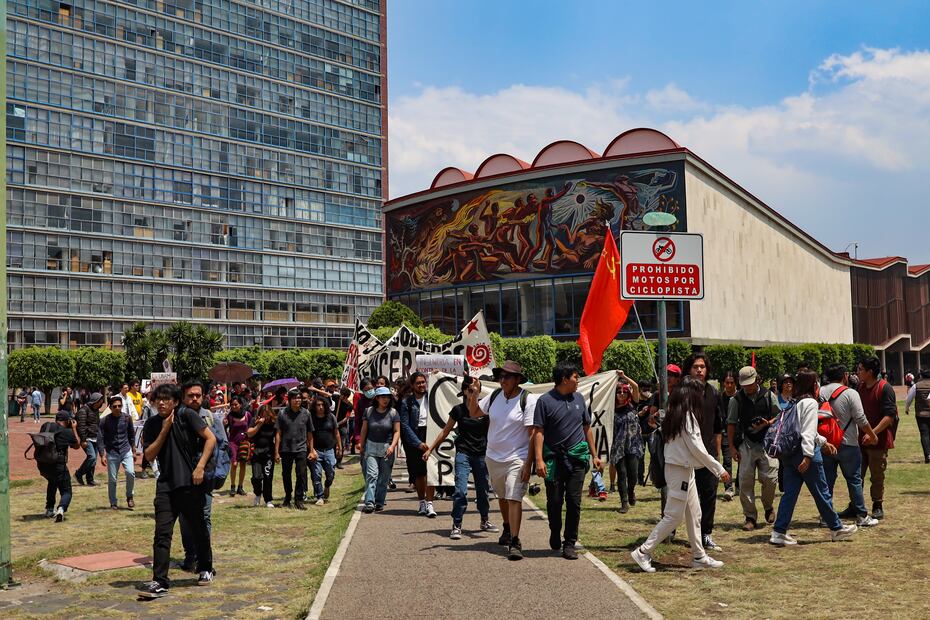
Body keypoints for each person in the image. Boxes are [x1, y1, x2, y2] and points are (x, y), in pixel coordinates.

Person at [630, 378, 731, 573]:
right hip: (679, 470)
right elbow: (698, 449)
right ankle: (643, 551)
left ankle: (699, 556)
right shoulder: (686, 416)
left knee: (694, 514)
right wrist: (719, 469)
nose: (701, 397)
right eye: (699, 393)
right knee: (673, 517)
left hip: (683, 469)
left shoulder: (676, 412)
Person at [138, 383, 217, 599]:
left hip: (190, 483)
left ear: (175, 401)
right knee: (162, 534)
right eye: (158, 399)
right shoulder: (152, 424)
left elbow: (211, 439)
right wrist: (164, 430)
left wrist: (200, 467)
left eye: (167, 399)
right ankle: (160, 581)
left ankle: (206, 568)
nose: (162, 403)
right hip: (165, 486)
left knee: (198, 529)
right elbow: (149, 455)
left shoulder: (187, 415)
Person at [769, 370, 858, 546]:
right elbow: (808, 432)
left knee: (790, 494)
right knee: (822, 492)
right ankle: (836, 528)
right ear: (813, 385)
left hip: (790, 454)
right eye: (817, 382)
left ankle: (779, 531)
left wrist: (823, 442)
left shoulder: (794, 402)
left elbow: (802, 428)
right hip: (805, 454)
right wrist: (808, 456)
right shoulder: (810, 402)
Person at [533, 362, 603, 561]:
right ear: (564, 379)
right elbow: (538, 432)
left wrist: (594, 455)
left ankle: (570, 543)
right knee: (555, 501)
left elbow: (587, 428)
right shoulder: (544, 401)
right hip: (554, 461)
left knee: (574, 501)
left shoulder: (579, 399)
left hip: (577, 460)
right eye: (575, 377)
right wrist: (539, 459)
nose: (578, 381)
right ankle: (555, 530)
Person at [474, 360, 537, 560]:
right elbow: (474, 412)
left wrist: (529, 463)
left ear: (517, 379)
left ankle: (515, 542)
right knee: (502, 497)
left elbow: (532, 434)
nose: (503, 380)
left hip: (517, 458)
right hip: (493, 457)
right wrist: (474, 394)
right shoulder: (494, 396)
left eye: (507, 376)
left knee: (513, 497)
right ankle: (507, 527)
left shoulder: (528, 399)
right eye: (501, 376)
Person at [424, 375, 499, 539]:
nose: (474, 393)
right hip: (463, 453)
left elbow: (493, 432)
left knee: (483, 490)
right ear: (464, 391)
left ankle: (484, 520)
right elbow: (445, 431)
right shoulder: (458, 410)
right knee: (460, 491)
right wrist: (430, 449)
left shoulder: (484, 410)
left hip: (481, 454)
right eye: (470, 390)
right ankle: (457, 524)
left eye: (477, 390)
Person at [820, 364, 880, 527]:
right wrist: (872, 435)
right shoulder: (850, 393)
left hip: (825, 443)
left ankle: (825, 517)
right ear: (844, 376)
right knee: (854, 480)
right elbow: (860, 418)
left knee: (826, 482)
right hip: (848, 442)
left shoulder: (820, 392)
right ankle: (861, 515)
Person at [727, 366, 780, 531]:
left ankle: (768, 507)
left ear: (757, 380)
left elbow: (779, 416)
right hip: (746, 444)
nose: (747, 387)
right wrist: (732, 447)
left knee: (770, 478)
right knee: (745, 481)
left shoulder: (769, 396)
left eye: (750, 383)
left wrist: (768, 423)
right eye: (744, 384)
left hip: (767, 443)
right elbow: (731, 423)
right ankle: (750, 517)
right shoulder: (735, 400)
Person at [682, 353, 724, 553]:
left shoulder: (713, 393)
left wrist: (716, 453)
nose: (699, 370)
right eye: (695, 367)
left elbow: (718, 426)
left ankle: (705, 534)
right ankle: (673, 531)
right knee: (684, 498)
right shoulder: (683, 393)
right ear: (688, 370)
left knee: (708, 495)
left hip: (708, 453)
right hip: (686, 454)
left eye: (702, 366)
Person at [856, 356, 897, 520]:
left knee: (877, 475)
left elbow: (889, 416)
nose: (858, 372)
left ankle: (877, 505)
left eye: (860, 369)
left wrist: (872, 433)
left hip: (878, 441)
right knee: (856, 475)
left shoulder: (884, 388)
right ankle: (856, 505)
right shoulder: (859, 387)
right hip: (859, 440)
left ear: (870, 372)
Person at [399, 372, 437, 518]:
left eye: (423, 382)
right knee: (419, 473)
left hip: (431, 434)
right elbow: (405, 425)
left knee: (431, 471)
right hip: (415, 438)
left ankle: (430, 503)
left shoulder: (432, 397)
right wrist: (418, 443)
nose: (421, 385)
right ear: (412, 385)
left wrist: (437, 375)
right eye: (418, 383)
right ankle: (422, 501)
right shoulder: (406, 402)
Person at [358, 386, 400, 512]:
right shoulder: (369, 411)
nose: (385, 399)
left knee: (383, 478)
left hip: (387, 448)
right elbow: (364, 429)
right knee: (372, 475)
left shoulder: (393, 413)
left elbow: (397, 431)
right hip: (371, 447)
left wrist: (392, 446)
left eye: (387, 397)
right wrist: (361, 445)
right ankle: (369, 502)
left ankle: (379, 501)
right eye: (382, 397)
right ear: (377, 398)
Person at [275, 388, 316, 510]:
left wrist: (312, 450)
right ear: (289, 400)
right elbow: (278, 433)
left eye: (299, 398)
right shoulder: (282, 413)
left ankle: (299, 499)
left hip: (301, 448)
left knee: (301, 474)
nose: (297, 400)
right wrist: (276, 452)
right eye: (294, 398)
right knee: (286, 474)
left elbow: (310, 433)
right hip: (286, 448)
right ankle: (287, 497)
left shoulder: (306, 413)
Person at [39, 411, 80, 521]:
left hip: (43, 465)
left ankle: (49, 509)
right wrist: (74, 428)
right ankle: (61, 509)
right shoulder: (67, 432)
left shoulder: (46, 426)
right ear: (68, 421)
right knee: (66, 491)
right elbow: (77, 445)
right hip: (58, 465)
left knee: (52, 482)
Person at [99, 394, 138, 510]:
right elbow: (100, 438)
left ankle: (130, 496)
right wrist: (102, 455)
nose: (117, 408)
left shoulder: (127, 418)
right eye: (115, 406)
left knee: (131, 473)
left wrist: (134, 450)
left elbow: (131, 435)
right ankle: (113, 502)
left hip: (126, 450)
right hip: (112, 452)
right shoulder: (104, 421)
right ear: (110, 407)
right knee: (112, 479)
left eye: (119, 406)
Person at [610, 382, 644, 514]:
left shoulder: (633, 404)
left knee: (633, 474)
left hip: (633, 445)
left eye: (624, 392)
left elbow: (636, 387)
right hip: (618, 446)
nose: (622, 394)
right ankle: (624, 502)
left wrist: (623, 376)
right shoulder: (611, 408)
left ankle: (631, 491)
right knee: (622, 474)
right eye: (619, 392)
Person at [309, 396, 341, 505]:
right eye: (318, 405)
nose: (320, 407)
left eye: (322, 405)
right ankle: (320, 496)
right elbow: (308, 435)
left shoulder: (331, 417)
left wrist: (339, 447)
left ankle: (327, 485)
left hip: (329, 450)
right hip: (316, 450)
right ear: (314, 406)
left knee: (331, 473)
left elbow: (336, 433)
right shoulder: (311, 418)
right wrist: (311, 450)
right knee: (316, 474)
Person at [248, 403, 278, 507]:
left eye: (267, 414)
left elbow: (277, 436)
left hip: (269, 453)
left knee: (268, 476)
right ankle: (257, 493)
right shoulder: (254, 421)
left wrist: (277, 453)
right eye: (263, 414)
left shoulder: (274, 423)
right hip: (257, 452)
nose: (266, 417)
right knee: (256, 477)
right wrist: (259, 425)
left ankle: (268, 499)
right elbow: (249, 433)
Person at [74, 392, 105, 486]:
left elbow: (97, 424)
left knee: (93, 461)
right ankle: (78, 474)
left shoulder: (96, 410)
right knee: (92, 457)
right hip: (87, 438)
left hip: (95, 436)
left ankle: (90, 479)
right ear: (95, 401)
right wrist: (83, 440)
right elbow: (81, 426)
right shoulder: (83, 410)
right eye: (100, 401)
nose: (102, 402)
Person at [224, 397, 251, 497]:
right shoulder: (229, 416)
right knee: (234, 464)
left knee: (243, 464)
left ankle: (240, 487)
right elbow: (224, 428)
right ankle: (232, 486)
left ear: (240, 404)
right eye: (232, 405)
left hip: (244, 442)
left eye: (236, 404)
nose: (234, 406)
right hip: (233, 442)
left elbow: (251, 427)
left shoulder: (247, 415)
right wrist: (224, 424)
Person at [718, 371, 739, 501]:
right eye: (727, 383)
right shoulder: (720, 398)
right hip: (725, 432)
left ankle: (739, 486)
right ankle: (728, 488)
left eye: (732, 383)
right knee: (727, 461)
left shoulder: (740, 397)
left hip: (740, 433)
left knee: (742, 461)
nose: (729, 385)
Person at [908, 369, 930, 463]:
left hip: (921, 414)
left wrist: (907, 408)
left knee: (924, 434)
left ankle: (928, 455)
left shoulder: (916, 385)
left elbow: (909, 398)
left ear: (922, 376)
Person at [335, 387, 354, 467]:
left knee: (341, 444)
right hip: (333, 424)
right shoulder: (336, 398)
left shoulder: (349, 405)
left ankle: (339, 461)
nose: (341, 396)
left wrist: (338, 423)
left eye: (342, 395)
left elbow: (347, 417)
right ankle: (333, 460)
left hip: (342, 426)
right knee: (333, 443)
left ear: (346, 396)